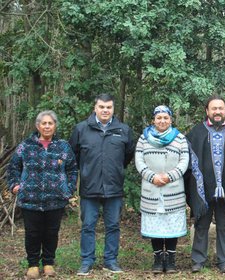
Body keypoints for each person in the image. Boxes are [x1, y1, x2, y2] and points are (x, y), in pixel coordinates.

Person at [69, 94, 135, 276]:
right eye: (101, 107)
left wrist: (115, 171)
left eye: (108, 107)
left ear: (113, 109)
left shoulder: (123, 130)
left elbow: (127, 156)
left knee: (113, 225)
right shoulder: (81, 129)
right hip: (89, 187)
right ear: (95, 108)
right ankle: (87, 261)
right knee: (88, 225)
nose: (105, 110)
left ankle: (110, 261)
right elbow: (73, 155)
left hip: (114, 187)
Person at [8, 110, 78, 279]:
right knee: (32, 233)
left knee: (51, 232)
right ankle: (32, 264)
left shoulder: (63, 146)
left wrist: (68, 189)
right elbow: (13, 167)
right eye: (44, 123)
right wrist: (15, 185)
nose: (47, 126)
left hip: (55, 199)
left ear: (55, 126)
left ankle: (48, 263)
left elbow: (72, 169)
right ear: (37, 126)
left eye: (50, 123)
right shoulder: (26, 146)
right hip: (30, 199)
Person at [184, 95, 225, 274]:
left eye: (220, 108)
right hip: (203, 188)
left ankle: (224, 261)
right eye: (214, 108)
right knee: (201, 225)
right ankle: (198, 260)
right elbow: (188, 160)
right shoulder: (196, 132)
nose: (217, 112)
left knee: (224, 226)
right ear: (207, 111)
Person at [135, 105, 189, 274]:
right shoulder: (144, 139)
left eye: (166, 118)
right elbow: (139, 161)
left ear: (171, 120)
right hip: (152, 189)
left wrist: (169, 176)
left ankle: (171, 260)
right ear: (153, 120)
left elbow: (184, 160)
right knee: (156, 226)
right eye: (159, 118)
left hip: (172, 189)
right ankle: (158, 259)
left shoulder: (179, 138)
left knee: (171, 225)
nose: (162, 121)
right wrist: (152, 177)